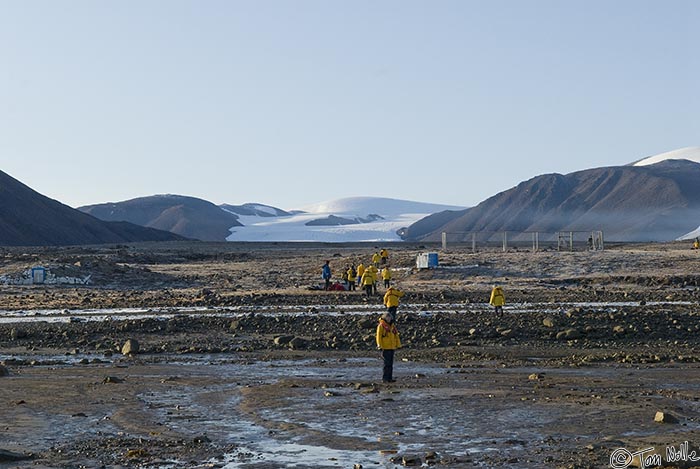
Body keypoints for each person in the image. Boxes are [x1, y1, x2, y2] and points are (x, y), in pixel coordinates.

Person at [376, 312, 401, 383]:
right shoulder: (381, 326)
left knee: (390, 364)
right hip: (385, 347)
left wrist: (398, 345)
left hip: (392, 347)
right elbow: (378, 336)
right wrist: (379, 345)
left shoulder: (392, 326)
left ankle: (389, 378)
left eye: (389, 317)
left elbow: (396, 336)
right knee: (386, 364)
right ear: (384, 318)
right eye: (387, 317)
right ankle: (385, 378)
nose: (389, 319)